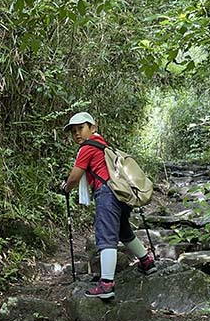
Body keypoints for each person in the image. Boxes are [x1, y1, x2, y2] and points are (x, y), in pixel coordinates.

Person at [61, 111, 156, 299]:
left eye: (81, 128)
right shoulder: (103, 145)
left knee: (106, 235)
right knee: (123, 231)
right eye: (73, 131)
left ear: (92, 128)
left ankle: (106, 284)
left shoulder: (88, 148)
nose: (77, 134)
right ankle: (146, 261)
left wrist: (66, 187)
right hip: (120, 193)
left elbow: (75, 175)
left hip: (107, 193)